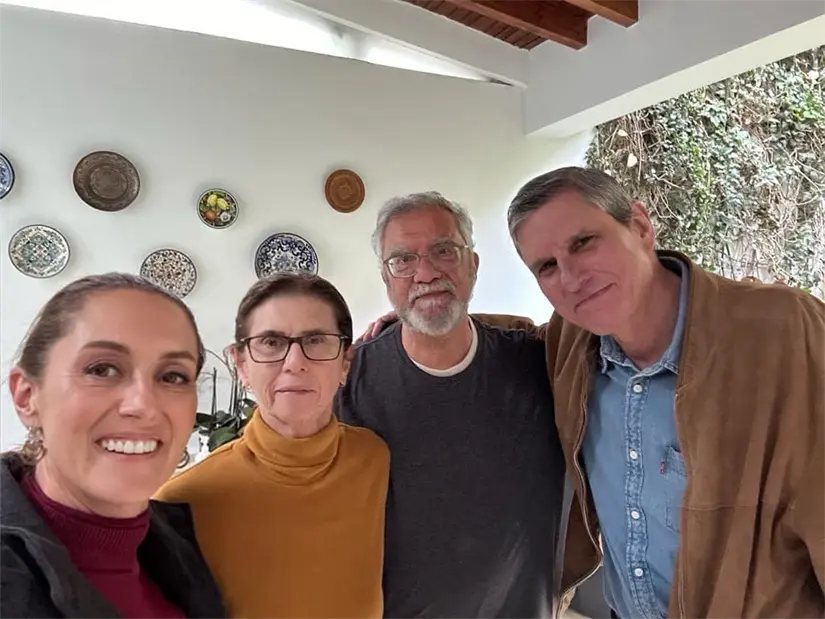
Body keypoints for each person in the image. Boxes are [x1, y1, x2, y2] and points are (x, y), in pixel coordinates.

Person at [478, 166, 825, 618]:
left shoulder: (781, 328)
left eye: (583, 243)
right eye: (546, 266)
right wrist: (420, 330)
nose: (571, 276)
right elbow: (520, 340)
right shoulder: (571, 347)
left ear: (640, 225)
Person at [336, 191, 567, 619]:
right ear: (387, 280)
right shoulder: (348, 386)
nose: (425, 272)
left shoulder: (539, 366)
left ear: (472, 266)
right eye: (402, 260)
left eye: (444, 251)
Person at [155, 272, 390, 619]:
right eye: (271, 342)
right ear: (241, 364)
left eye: (316, 340)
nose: (295, 363)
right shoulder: (182, 502)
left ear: (345, 362)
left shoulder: (372, 456)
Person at [0, 273, 225, 619]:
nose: (143, 404)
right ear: (27, 395)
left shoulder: (184, 545)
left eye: (172, 376)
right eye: (102, 369)